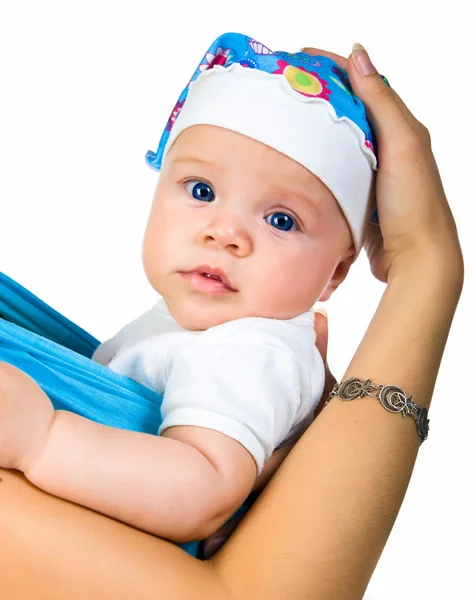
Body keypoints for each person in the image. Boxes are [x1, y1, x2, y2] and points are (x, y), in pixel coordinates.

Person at [0, 42, 464, 600]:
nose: (225, 232)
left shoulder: (252, 350)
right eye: (201, 191)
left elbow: (204, 489)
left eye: (280, 219)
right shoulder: (203, 333)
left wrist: (43, 441)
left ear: (336, 275)